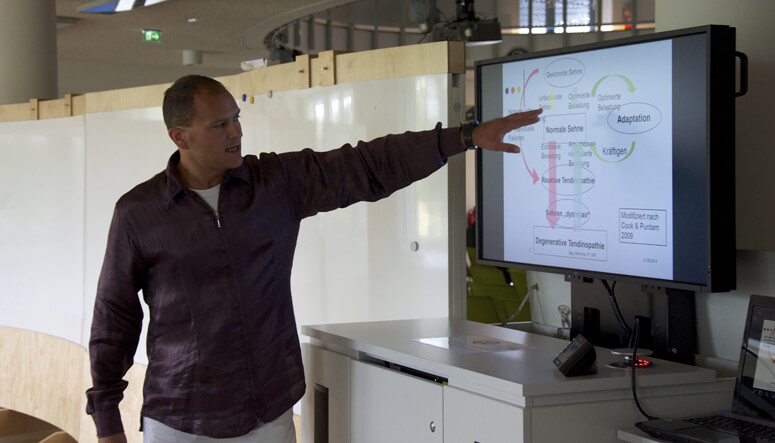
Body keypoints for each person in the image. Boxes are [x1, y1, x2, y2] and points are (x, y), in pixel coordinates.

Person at [86, 75, 543, 443]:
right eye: (220, 125)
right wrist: (107, 420)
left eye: (237, 119)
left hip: (268, 416)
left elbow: (366, 166)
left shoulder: (275, 183)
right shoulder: (139, 213)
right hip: (182, 422)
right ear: (179, 136)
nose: (237, 132)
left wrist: (464, 137)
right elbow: (114, 318)